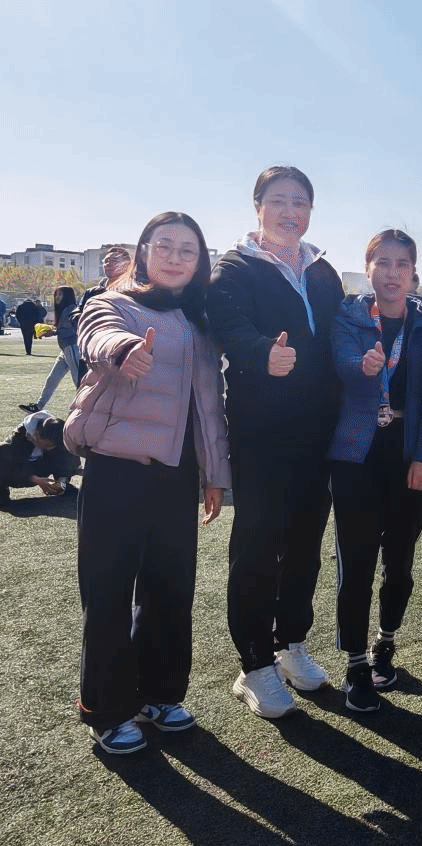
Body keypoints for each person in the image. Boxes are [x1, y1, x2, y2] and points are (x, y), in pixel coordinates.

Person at [63, 211, 229, 755]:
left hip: (177, 475)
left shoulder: (202, 320)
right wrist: (122, 351)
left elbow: (209, 407)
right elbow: (95, 334)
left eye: (188, 249)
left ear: (199, 261)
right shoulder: (115, 302)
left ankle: (159, 694)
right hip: (116, 468)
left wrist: (214, 476)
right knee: (108, 590)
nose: (176, 257)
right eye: (165, 246)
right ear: (143, 251)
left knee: (170, 589)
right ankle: (107, 709)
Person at [206, 165, 345, 719]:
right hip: (262, 431)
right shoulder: (234, 267)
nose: (291, 212)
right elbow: (227, 326)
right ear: (258, 206)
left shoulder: (324, 270)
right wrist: (262, 351)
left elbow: (340, 334)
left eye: (300, 202)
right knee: (259, 544)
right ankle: (254, 664)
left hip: (319, 431)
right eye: (279, 200)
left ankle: (291, 644)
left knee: (306, 542)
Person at [329, 229, 422, 714]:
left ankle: (385, 641)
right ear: (368, 267)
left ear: (413, 273)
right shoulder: (349, 315)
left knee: (399, 563)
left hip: (406, 454)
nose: (393, 273)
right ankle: (356, 663)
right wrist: (364, 365)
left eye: (402, 264)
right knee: (355, 563)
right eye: (383, 263)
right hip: (356, 456)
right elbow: (341, 362)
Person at [20, 287, 81, 413]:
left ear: (67, 296)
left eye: (60, 295)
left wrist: (53, 332)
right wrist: (52, 329)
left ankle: (88, 408)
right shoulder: (64, 309)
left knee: (79, 381)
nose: (57, 297)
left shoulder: (71, 309)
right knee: (52, 379)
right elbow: (64, 328)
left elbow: (71, 330)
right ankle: (38, 406)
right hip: (65, 350)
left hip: (72, 347)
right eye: (56, 294)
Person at [0, 411, 80, 507]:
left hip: (39, 466)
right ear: (37, 434)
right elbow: (7, 466)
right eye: (46, 445)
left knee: (67, 449)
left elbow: (69, 457)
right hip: (18, 470)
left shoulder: (56, 432)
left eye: (51, 446)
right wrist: (34, 479)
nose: (48, 448)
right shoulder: (17, 439)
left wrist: (61, 480)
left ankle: (63, 484)